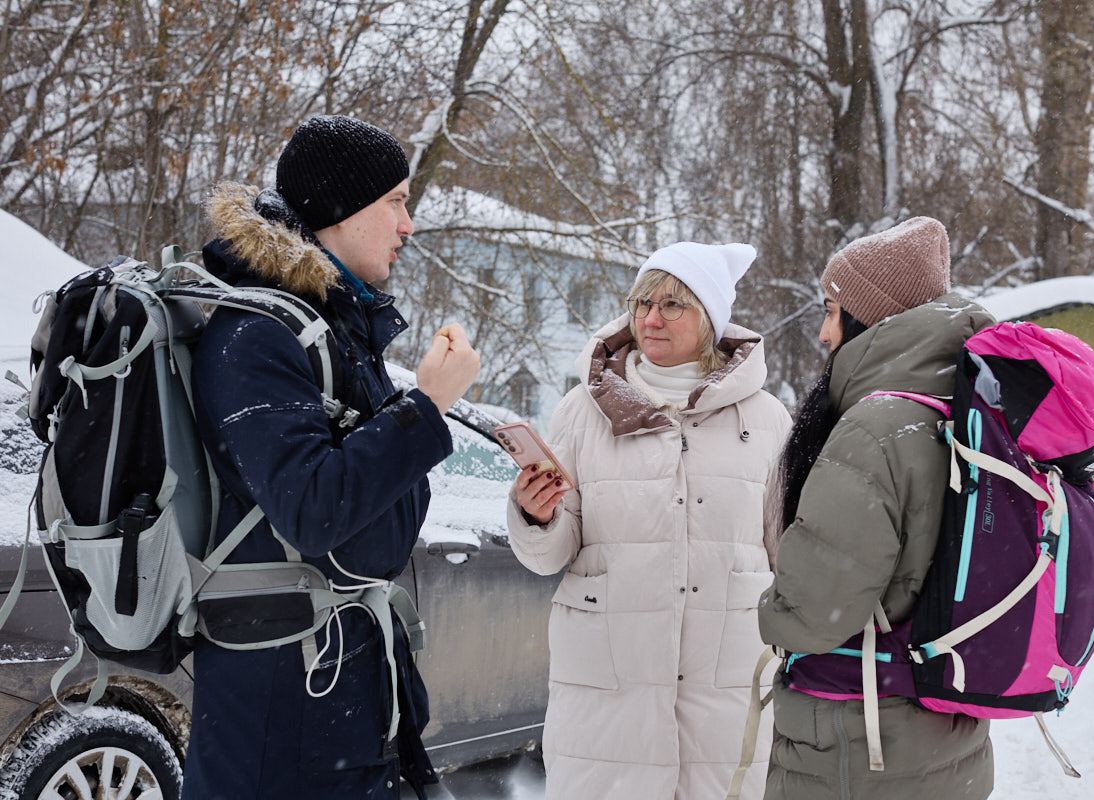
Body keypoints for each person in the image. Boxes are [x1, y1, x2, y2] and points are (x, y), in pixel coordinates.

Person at [182, 115, 480, 799]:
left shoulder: (335, 332)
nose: (409, 225)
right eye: (396, 203)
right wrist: (425, 407)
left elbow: (385, 517)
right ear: (340, 210)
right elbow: (312, 509)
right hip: (279, 716)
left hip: (336, 697)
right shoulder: (254, 336)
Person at [507, 242, 792, 799]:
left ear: (709, 318)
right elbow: (548, 557)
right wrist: (535, 516)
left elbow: (788, 555)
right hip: (608, 703)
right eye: (641, 303)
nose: (650, 319)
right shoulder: (583, 410)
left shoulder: (765, 419)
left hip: (726, 699)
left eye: (671, 305)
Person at [757, 217, 997, 799]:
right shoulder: (965, 414)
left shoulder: (875, 430)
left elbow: (817, 612)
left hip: (858, 746)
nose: (822, 331)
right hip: (949, 731)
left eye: (832, 310)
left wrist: (769, 613)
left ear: (873, 318)